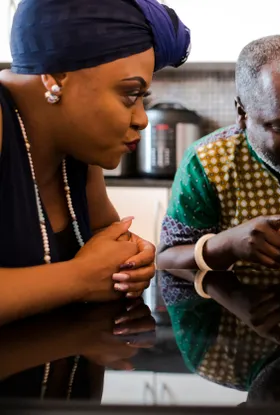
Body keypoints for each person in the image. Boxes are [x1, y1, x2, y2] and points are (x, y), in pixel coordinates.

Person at [0, 0, 191, 325]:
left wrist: (130, 258)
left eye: (143, 99)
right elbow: (89, 272)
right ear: (57, 76)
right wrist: (81, 277)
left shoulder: (78, 147)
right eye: (130, 94)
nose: (142, 120)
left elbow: (105, 236)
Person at [157, 35, 280, 274]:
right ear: (242, 113)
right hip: (237, 308)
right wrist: (225, 246)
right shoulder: (208, 163)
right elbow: (166, 259)